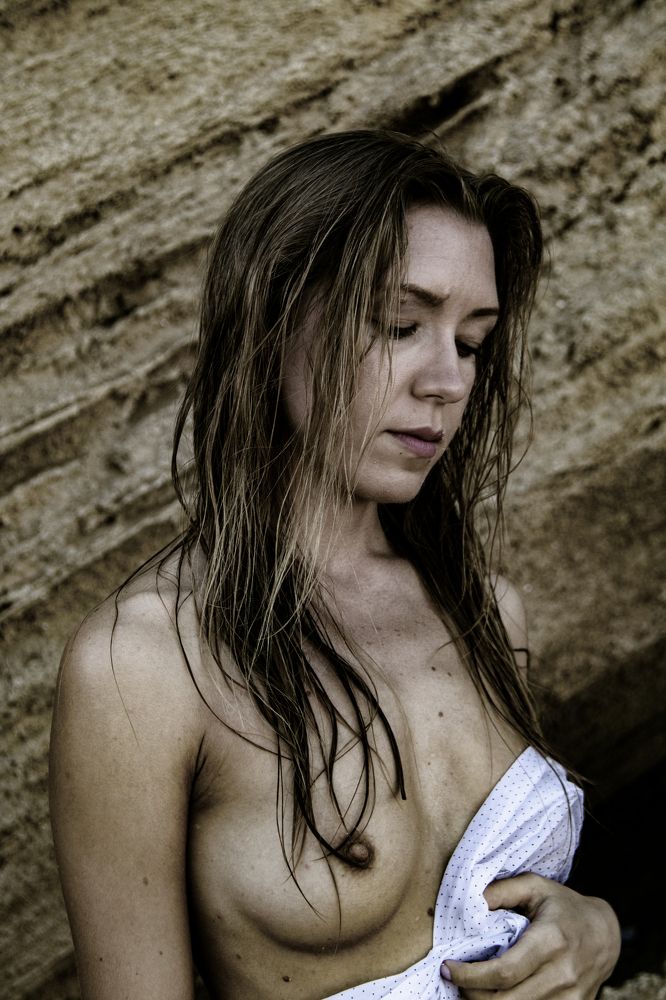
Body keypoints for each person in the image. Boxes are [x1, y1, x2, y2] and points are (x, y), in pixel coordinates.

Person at [49, 130, 620, 1000]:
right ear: (271, 320)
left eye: (472, 342)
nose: (447, 381)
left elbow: (494, 915)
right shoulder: (144, 667)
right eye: (400, 325)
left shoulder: (484, 612)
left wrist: (593, 928)